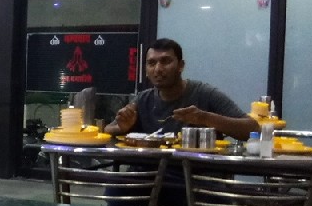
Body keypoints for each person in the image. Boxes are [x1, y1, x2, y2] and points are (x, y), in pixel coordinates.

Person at [105, 38, 259, 141]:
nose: (158, 69)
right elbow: (108, 129)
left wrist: (206, 118)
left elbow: (253, 129)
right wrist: (123, 128)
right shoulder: (143, 99)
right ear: (145, 70)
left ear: (181, 66)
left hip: (192, 176)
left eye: (165, 61)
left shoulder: (204, 93)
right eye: (151, 63)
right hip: (148, 173)